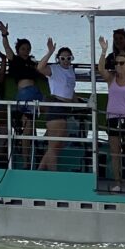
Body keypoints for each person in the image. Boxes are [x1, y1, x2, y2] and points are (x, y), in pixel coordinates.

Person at [98, 37, 125, 192]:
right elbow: (101, 69)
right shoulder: (111, 79)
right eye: (116, 63)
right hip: (113, 118)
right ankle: (118, 182)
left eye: (121, 63)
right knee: (115, 153)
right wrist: (104, 51)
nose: (118, 66)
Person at [0, 21, 44, 163]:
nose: (26, 51)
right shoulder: (15, 60)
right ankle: (25, 160)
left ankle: (29, 157)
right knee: (26, 127)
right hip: (24, 94)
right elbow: (7, 47)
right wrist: (4, 34)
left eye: (28, 48)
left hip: (35, 93)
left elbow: (43, 68)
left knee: (31, 126)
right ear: (18, 50)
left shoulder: (32, 62)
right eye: (23, 48)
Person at [36, 38, 78, 171]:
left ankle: (39, 171)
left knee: (57, 145)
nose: (65, 61)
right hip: (57, 106)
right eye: (62, 58)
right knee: (54, 146)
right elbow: (40, 67)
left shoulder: (71, 70)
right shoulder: (54, 69)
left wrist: (78, 102)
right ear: (58, 59)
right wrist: (50, 52)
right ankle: (53, 175)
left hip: (66, 108)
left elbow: (70, 90)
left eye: (68, 58)